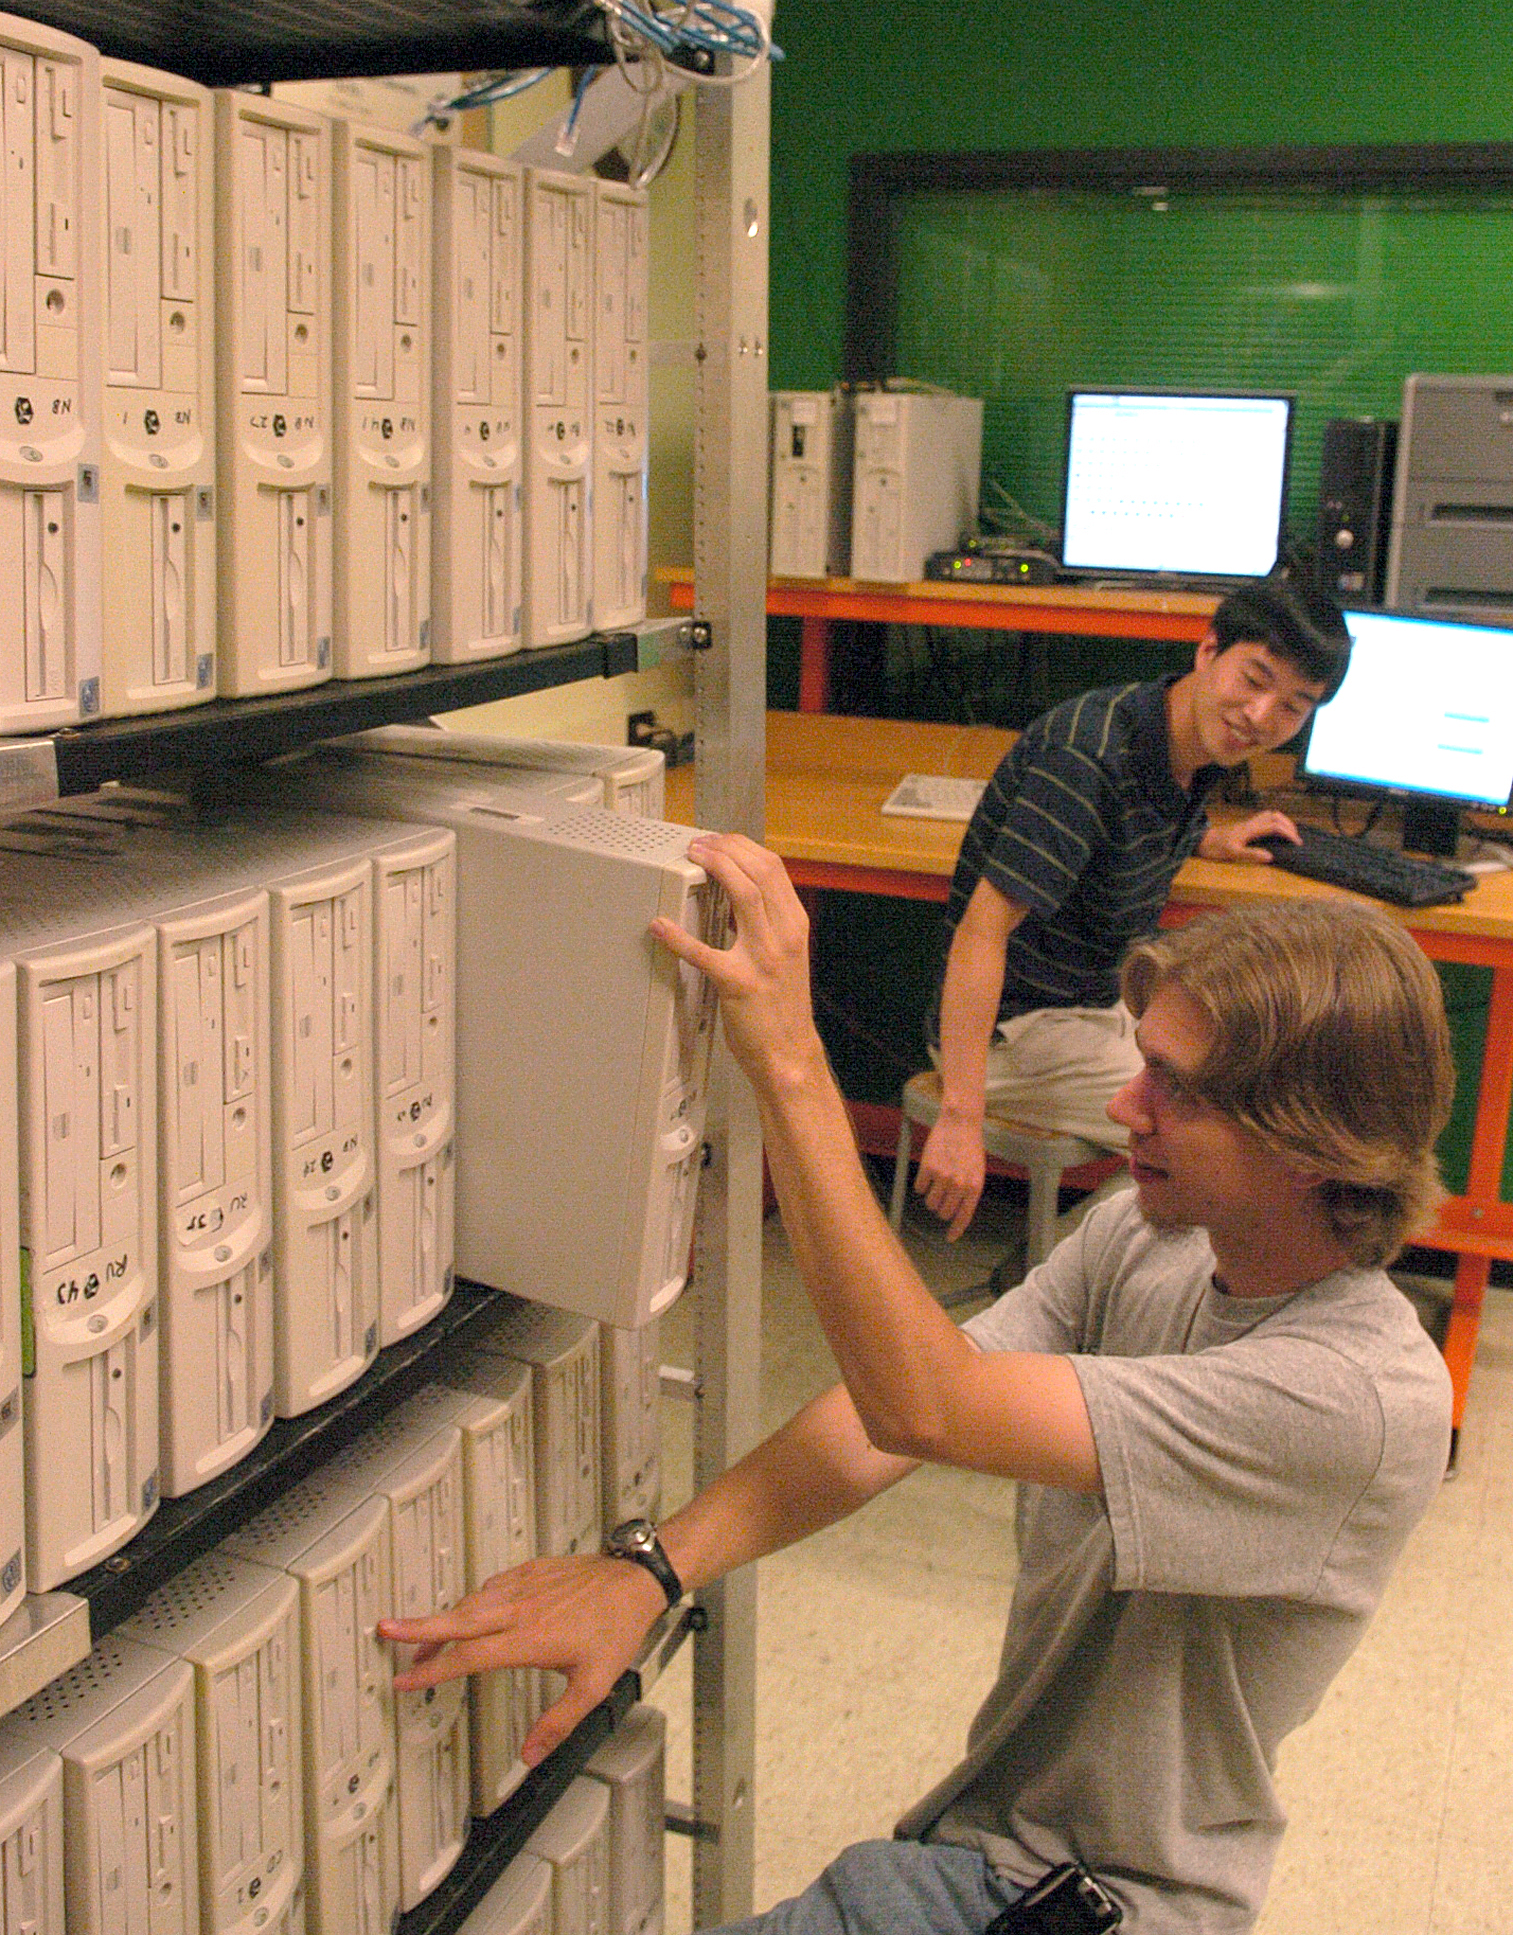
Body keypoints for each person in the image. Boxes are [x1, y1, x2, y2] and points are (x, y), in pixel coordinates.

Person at [381, 837, 1453, 1935]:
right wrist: (656, 1572)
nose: (1127, 1104)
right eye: (1144, 1063)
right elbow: (879, 1428)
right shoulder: (1148, 1239)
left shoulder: (1354, 1400)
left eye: (1177, 1089)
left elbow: (925, 1404)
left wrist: (790, 1061)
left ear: (1313, 1145)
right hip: (974, 1854)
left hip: (1088, 1903)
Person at [920, 575, 1353, 1239]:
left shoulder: (1187, 741)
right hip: (1016, 1032)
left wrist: (1207, 840)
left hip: (1099, 1009)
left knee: (1258, 1078)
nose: (1260, 716)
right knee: (1227, 1143)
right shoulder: (1087, 758)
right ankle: (1066, 1280)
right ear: (1208, 651)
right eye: (1254, 679)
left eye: (1293, 707)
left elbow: (1117, 827)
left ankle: (1073, 1269)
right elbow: (981, 932)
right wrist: (959, 1116)